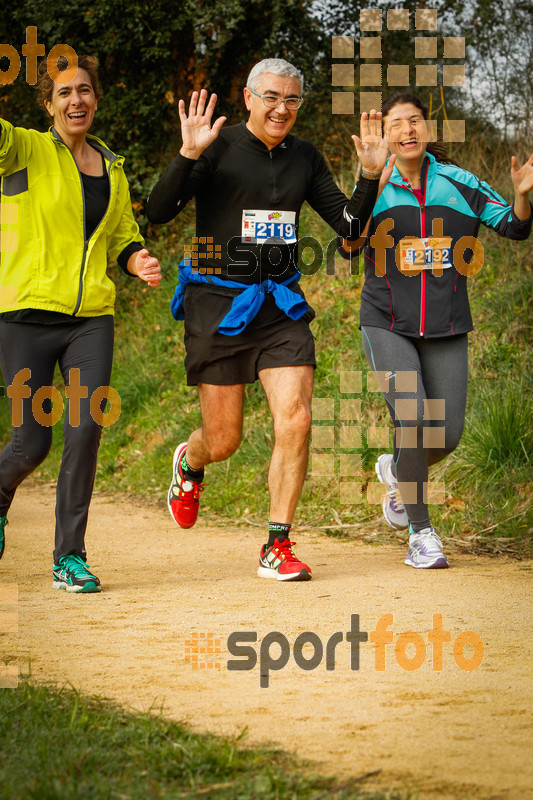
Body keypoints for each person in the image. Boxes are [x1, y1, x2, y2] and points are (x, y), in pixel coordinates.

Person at [146, 57, 391, 582]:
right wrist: (188, 154)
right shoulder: (217, 145)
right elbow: (159, 211)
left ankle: (276, 545)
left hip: (280, 305)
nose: (282, 108)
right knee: (224, 440)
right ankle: (191, 461)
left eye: (293, 100)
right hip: (218, 304)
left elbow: (349, 231)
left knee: (296, 417)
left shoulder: (306, 157)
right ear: (250, 99)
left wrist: (369, 176)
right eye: (272, 97)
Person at [338, 91, 533, 568]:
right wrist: (367, 180)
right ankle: (421, 535)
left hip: (446, 325)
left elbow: (513, 227)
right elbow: (347, 245)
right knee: (415, 419)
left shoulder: (459, 182)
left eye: (414, 121)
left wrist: (523, 197)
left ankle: (398, 470)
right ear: (384, 136)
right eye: (396, 124)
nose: (407, 130)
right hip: (386, 321)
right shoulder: (376, 186)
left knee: (446, 435)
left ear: (427, 129)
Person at [0, 55, 161, 592]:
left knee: (85, 428)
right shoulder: (22, 148)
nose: (77, 101)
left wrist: (137, 259)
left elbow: (123, 235)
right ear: (47, 104)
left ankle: (69, 556)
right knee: (31, 443)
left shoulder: (111, 166)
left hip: (91, 317)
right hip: (25, 313)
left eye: (85, 90)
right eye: (65, 93)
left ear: (97, 98)